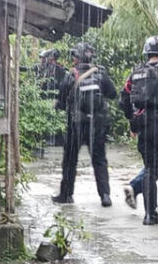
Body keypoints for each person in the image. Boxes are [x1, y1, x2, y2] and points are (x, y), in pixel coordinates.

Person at [52, 42, 117, 207]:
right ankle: (105, 196)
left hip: (76, 125)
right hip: (98, 124)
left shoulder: (70, 76)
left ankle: (66, 195)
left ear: (75, 58)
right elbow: (112, 94)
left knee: (70, 160)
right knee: (99, 159)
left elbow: (61, 102)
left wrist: (62, 104)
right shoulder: (100, 74)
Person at [119, 35, 158, 224]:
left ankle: (150, 215)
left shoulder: (136, 73)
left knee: (150, 168)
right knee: (152, 169)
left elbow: (123, 98)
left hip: (143, 124)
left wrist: (132, 123)